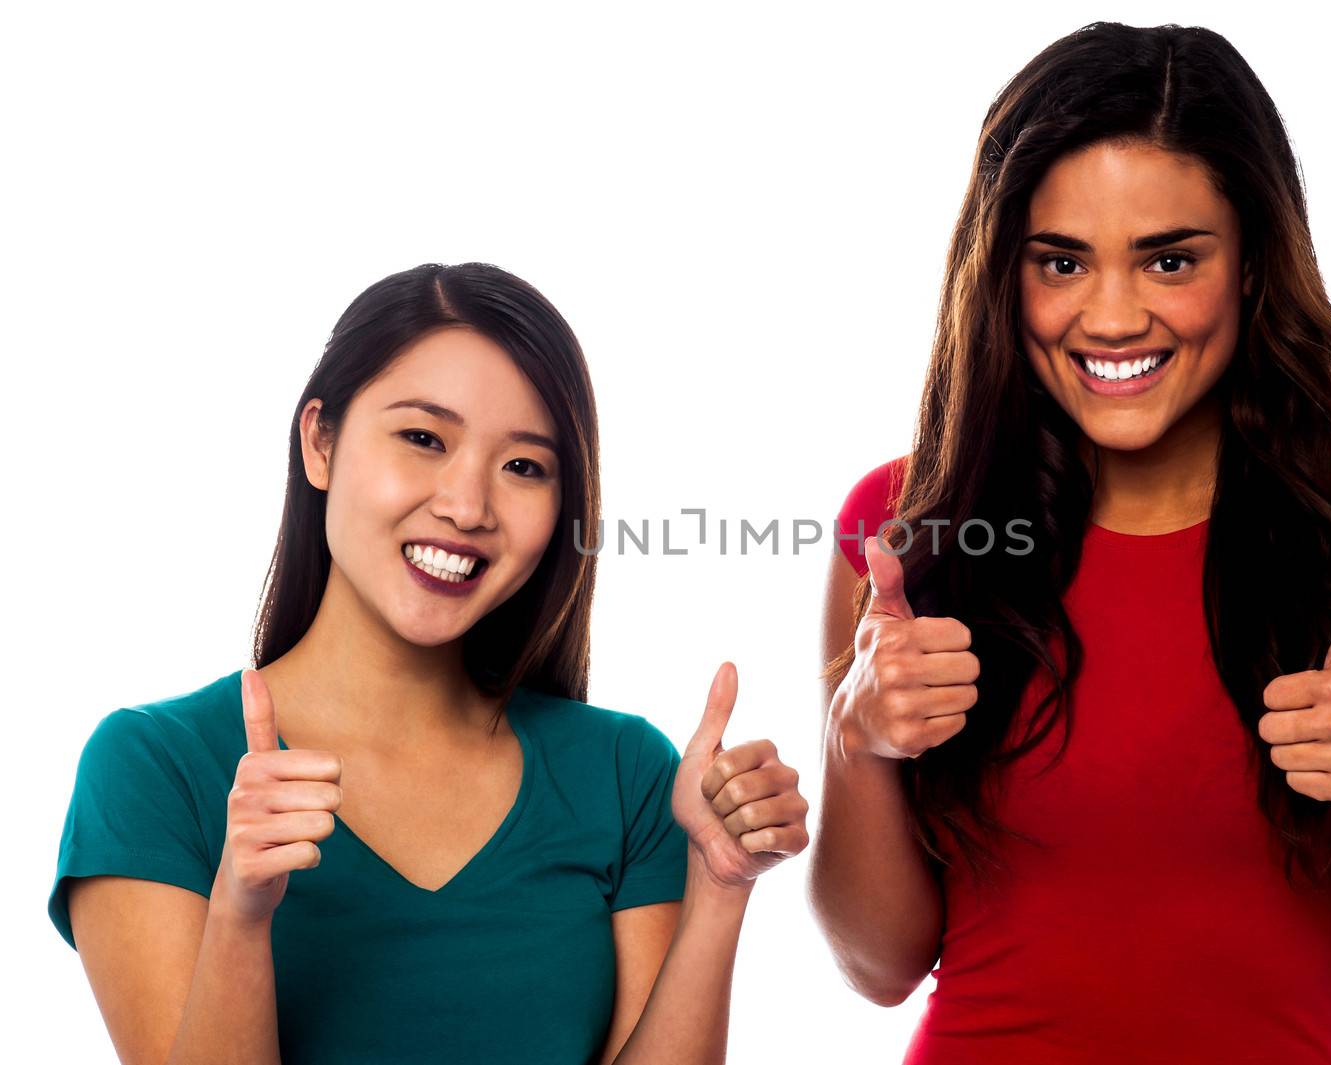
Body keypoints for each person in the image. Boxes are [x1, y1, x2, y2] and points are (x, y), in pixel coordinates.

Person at [808, 22, 1331, 1065]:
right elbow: (878, 967)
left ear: (1254, 263)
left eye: (1168, 258)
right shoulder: (906, 527)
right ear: (1003, 274)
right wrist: (856, 745)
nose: (1113, 315)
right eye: (1061, 262)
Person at [48, 262, 810, 1065]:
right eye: (423, 438)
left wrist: (721, 888)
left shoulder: (627, 774)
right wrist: (240, 914)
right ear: (320, 440)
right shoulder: (152, 768)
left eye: (524, 466)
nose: (468, 506)